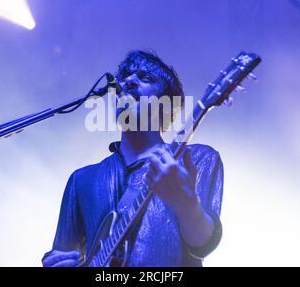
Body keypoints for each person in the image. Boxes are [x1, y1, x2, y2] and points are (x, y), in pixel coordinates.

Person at [42, 50, 224, 267]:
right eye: (125, 76)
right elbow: (63, 256)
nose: (128, 81)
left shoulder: (194, 159)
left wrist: (186, 204)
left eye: (145, 77)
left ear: (166, 104)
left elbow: (202, 245)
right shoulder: (82, 180)